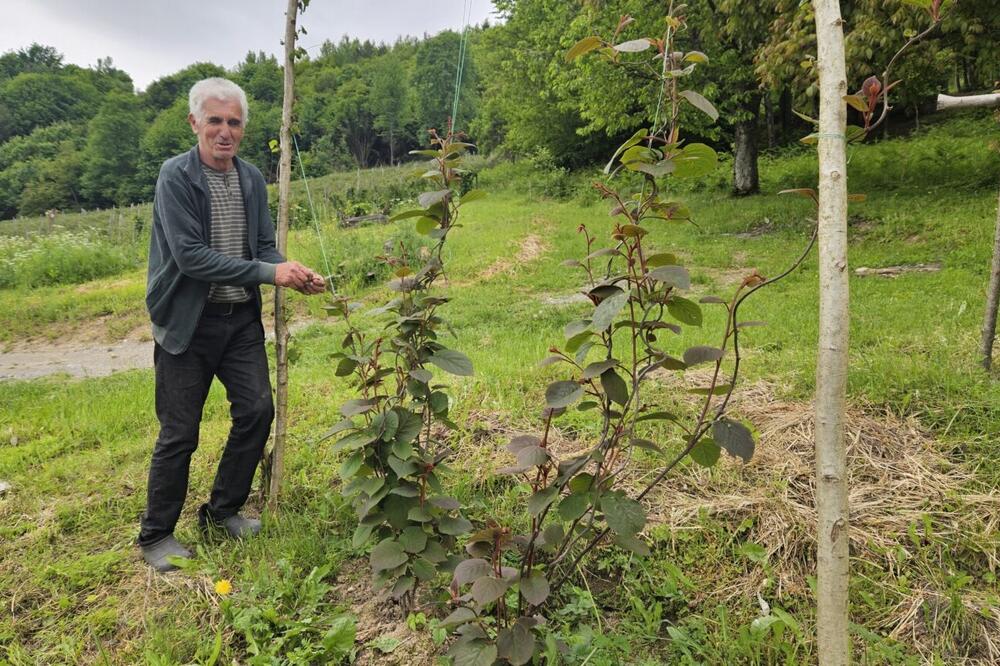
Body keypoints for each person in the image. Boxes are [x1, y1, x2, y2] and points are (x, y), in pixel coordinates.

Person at [138, 77, 325, 572]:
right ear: (194, 123)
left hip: (238, 319)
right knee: (180, 432)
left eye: (234, 122)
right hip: (187, 324)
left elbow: (263, 248)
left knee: (257, 411)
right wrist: (269, 272)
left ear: (243, 128)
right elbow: (191, 257)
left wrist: (292, 272)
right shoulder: (175, 177)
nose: (225, 132)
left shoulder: (248, 178)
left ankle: (221, 512)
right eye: (215, 121)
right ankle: (156, 536)